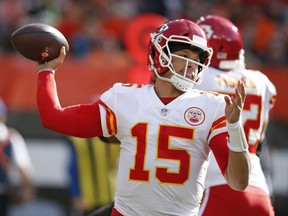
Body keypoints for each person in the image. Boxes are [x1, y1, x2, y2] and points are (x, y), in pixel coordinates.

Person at [35, 19, 251, 215]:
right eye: (184, 56)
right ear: (160, 54)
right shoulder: (124, 98)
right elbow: (53, 117)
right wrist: (46, 72)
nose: (192, 65)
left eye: (197, 59)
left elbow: (239, 182)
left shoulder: (212, 106)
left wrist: (234, 128)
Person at [196, 15, 276, 216]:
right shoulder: (261, 81)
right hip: (258, 188)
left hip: (216, 185)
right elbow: (260, 140)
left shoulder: (200, 79)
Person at [67, 135, 119, 216]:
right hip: (89, 199)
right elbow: (73, 167)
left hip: (114, 197)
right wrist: (76, 194)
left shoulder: (115, 133)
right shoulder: (79, 137)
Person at [0, 97, 35, 216]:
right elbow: (23, 166)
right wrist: (27, 189)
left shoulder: (11, 138)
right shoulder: (11, 137)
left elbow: (23, 166)